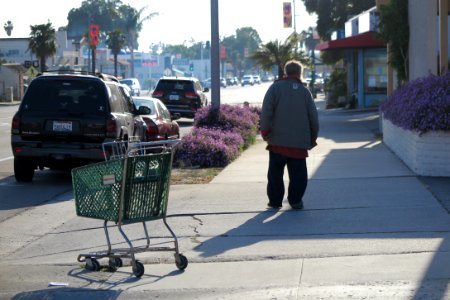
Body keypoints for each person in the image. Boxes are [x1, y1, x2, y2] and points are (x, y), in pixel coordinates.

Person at [260, 60, 319, 210]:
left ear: (286, 72)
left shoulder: (274, 88)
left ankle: (275, 201)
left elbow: (266, 112)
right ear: (300, 73)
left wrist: (265, 131)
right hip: (299, 144)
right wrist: (312, 138)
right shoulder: (305, 92)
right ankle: (295, 201)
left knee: (275, 175)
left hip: (277, 142)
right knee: (298, 176)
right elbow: (313, 118)